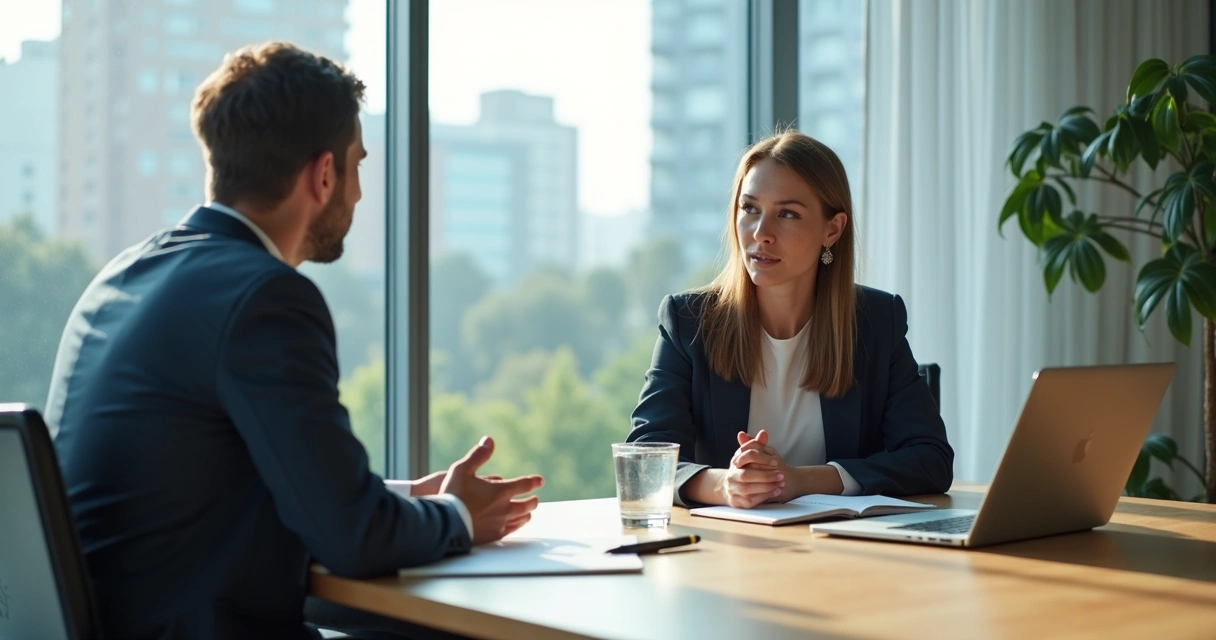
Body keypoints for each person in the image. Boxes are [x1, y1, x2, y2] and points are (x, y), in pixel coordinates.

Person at [44, 42, 541, 640]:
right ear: (323, 173)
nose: (357, 193)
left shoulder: (124, 273)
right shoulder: (264, 297)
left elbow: (227, 480)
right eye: (357, 166)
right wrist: (459, 517)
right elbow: (352, 539)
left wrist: (408, 495)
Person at [626, 131, 953, 509]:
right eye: (749, 209)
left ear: (832, 229)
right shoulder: (688, 322)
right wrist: (725, 485)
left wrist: (800, 480)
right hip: (727, 552)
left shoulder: (877, 322)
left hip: (845, 552)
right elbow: (644, 461)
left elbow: (931, 459)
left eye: (787, 214)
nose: (761, 233)